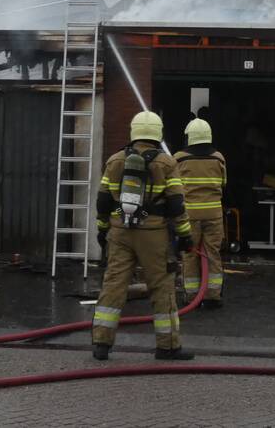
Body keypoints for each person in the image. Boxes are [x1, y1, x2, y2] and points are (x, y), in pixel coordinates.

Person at [92, 111, 194, 361]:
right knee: (162, 287)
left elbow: (103, 200)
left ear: (133, 131)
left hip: (121, 232)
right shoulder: (167, 163)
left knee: (114, 284)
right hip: (154, 234)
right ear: (158, 133)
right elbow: (176, 205)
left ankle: (101, 344)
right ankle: (167, 346)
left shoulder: (115, 160)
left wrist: (103, 228)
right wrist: (184, 234)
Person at [174, 118, 227, 306]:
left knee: (190, 253)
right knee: (213, 253)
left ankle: (192, 295)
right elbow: (223, 183)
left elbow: (174, 187)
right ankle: (212, 295)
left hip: (190, 215)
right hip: (213, 214)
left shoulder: (179, 158)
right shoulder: (218, 157)